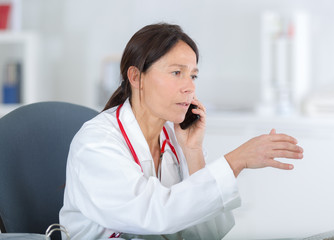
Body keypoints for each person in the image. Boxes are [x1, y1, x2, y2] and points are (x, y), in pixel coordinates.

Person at [59, 23, 303, 240]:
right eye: (177, 73)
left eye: (193, 76)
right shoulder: (95, 143)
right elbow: (154, 214)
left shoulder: (176, 138)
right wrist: (236, 160)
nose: (189, 87)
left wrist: (193, 151)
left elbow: (208, 233)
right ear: (136, 76)